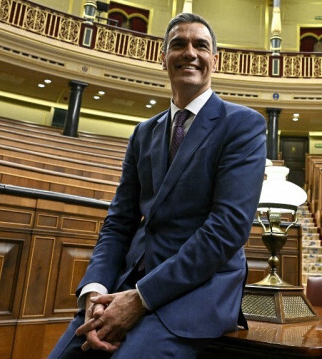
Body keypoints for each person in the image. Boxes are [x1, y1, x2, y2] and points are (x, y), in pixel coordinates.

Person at [49, 12, 267, 358]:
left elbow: (227, 229)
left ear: (216, 59)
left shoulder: (242, 125)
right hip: (123, 288)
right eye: (178, 44)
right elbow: (119, 222)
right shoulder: (143, 132)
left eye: (201, 45)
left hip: (196, 294)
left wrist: (143, 297)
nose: (190, 53)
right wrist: (95, 289)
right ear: (162, 57)